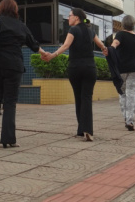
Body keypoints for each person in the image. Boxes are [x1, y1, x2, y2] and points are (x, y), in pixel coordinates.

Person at [0, 0, 45, 148]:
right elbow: (33, 44)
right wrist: (45, 54)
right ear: (15, 10)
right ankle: (8, 139)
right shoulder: (20, 26)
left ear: (2, 8)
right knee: (10, 102)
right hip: (13, 66)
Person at [42, 8, 107, 141]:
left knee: (79, 98)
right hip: (90, 68)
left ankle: (81, 129)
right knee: (87, 99)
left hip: (76, 68)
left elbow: (66, 45)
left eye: (70, 16)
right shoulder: (90, 31)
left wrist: (52, 55)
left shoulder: (73, 30)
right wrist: (105, 50)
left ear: (76, 18)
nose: (68, 18)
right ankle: (87, 130)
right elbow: (101, 44)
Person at [110, 15, 135, 131]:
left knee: (123, 94)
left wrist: (110, 50)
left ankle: (126, 118)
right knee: (132, 95)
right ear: (133, 24)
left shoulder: (120, 35)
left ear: (123, 25)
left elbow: (114, 45)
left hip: (122, 69)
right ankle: (130, 120)